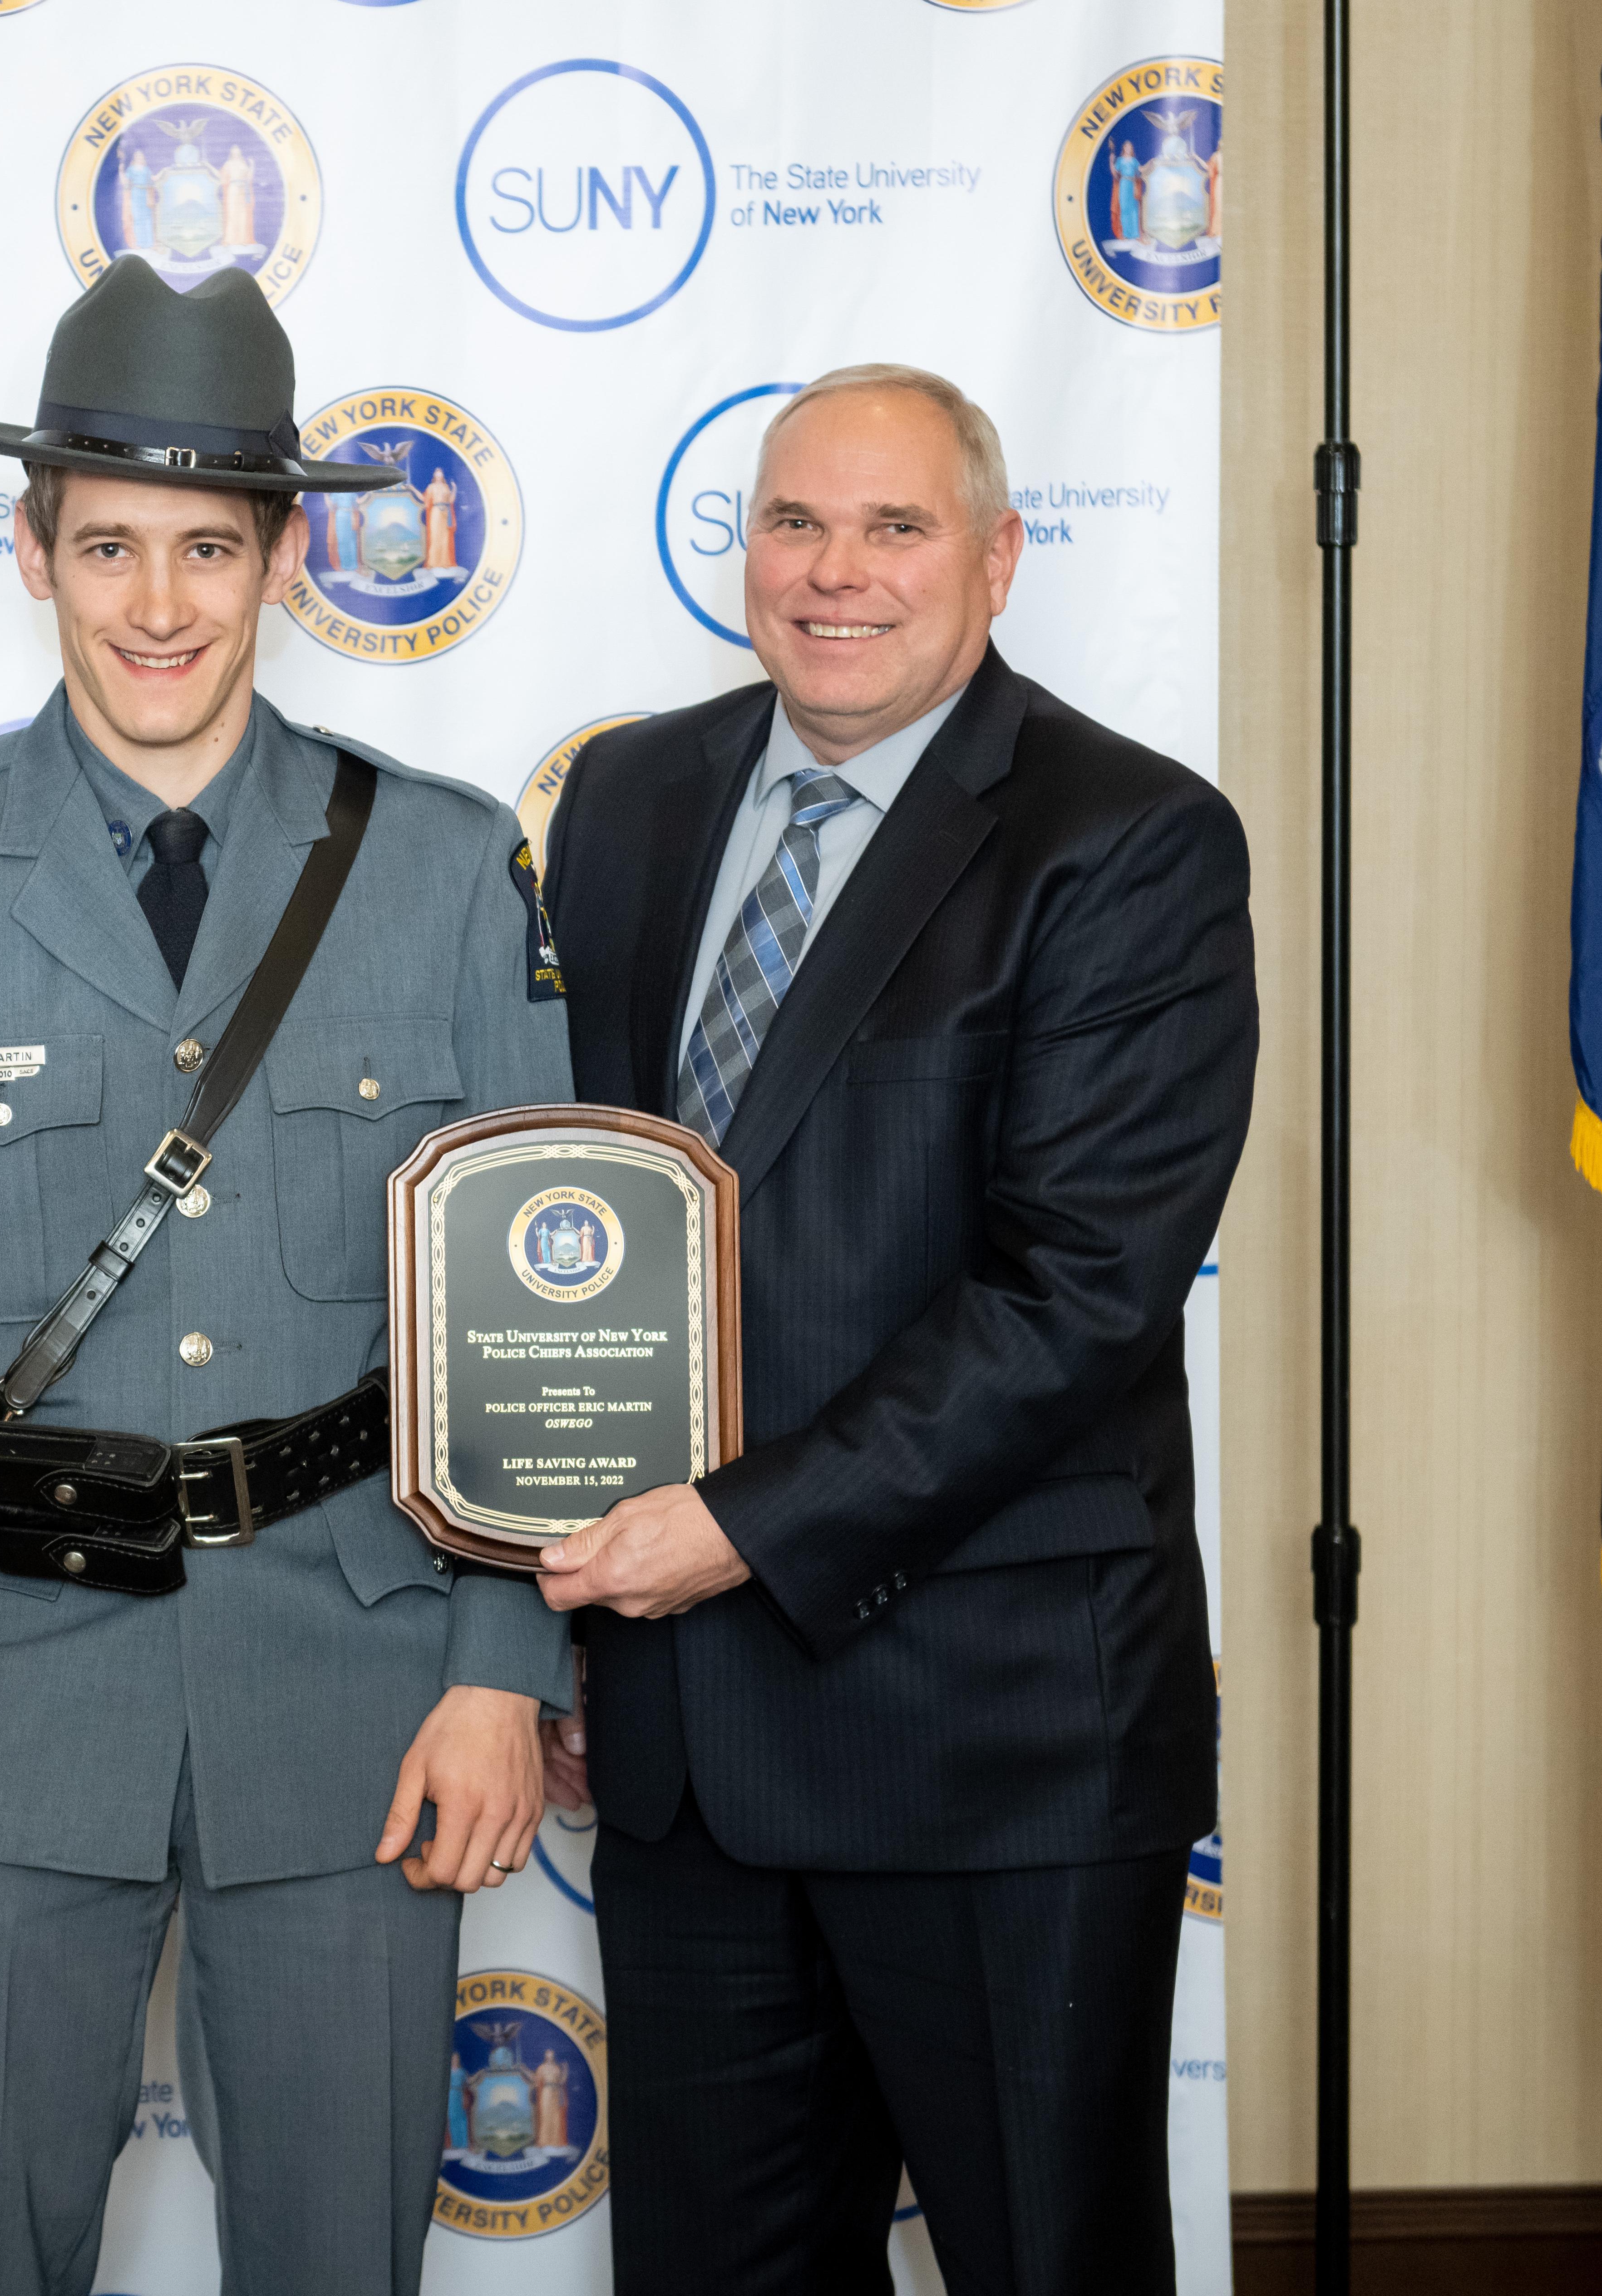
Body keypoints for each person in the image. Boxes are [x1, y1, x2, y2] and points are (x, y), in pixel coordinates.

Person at [0, 259, 573, 2296]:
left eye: (206, 545)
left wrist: (502, 1674)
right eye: (107, 545)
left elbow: (530, 1327)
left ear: (283, 559)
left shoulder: (439, 867)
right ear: (33, 550)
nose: (158, 603)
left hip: (357, 1688)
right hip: (2, 1690)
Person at [536, 363, 1254, 2296]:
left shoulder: (1129, 839)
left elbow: (1076, 1292)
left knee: (1045, 2258)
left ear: (999, 558)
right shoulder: (626, 797)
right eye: (793, 522)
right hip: (683, 1744)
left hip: (996, 1734)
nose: (833, 572)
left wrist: (741, 1523)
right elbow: (579, 1227)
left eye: (894, 526)